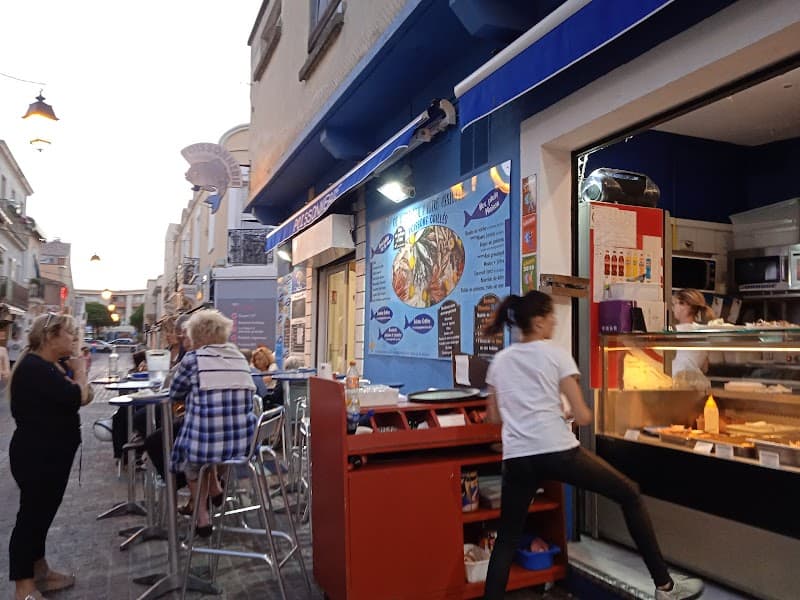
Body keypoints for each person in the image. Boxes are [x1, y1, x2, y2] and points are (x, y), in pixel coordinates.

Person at [481, 291, 703, 600]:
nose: (555, 323)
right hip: (558, 451)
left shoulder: (501, 361)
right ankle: (665, 586)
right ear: (540, 320)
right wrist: (570, 412)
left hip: (518, 458)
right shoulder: (555, 353)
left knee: (507, 538)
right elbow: (583, 415)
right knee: (630, 493)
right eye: (552, 317)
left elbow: (493, 416)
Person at [8, 312, 91, 600]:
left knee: (42, 516)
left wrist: (77, 376)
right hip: (37, 454)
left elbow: (86, 396)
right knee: (31, 517)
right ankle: (23, 586)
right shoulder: (35, 368)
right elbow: (74, 397)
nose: (74, 340)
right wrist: (80, 374)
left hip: (52, 453)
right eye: (69, 334)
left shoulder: (52, 366)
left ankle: (40, 570)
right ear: (51, 336)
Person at [169, 309, 256, 537]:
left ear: (196, 334)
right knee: (210, 435)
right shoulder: (238, 355)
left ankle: (202, 517)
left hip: (206, 445)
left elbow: (175, 392)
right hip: (242, 445)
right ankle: (216, 488)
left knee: (194, 458)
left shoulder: (192, 360)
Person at [671, 289, 714, 386]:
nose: (673, 308)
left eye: (675, 304)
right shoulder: (703, 331)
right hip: (700, 384)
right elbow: (705, 367)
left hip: (680, 383)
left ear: (685, 305)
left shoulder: (676, 330)